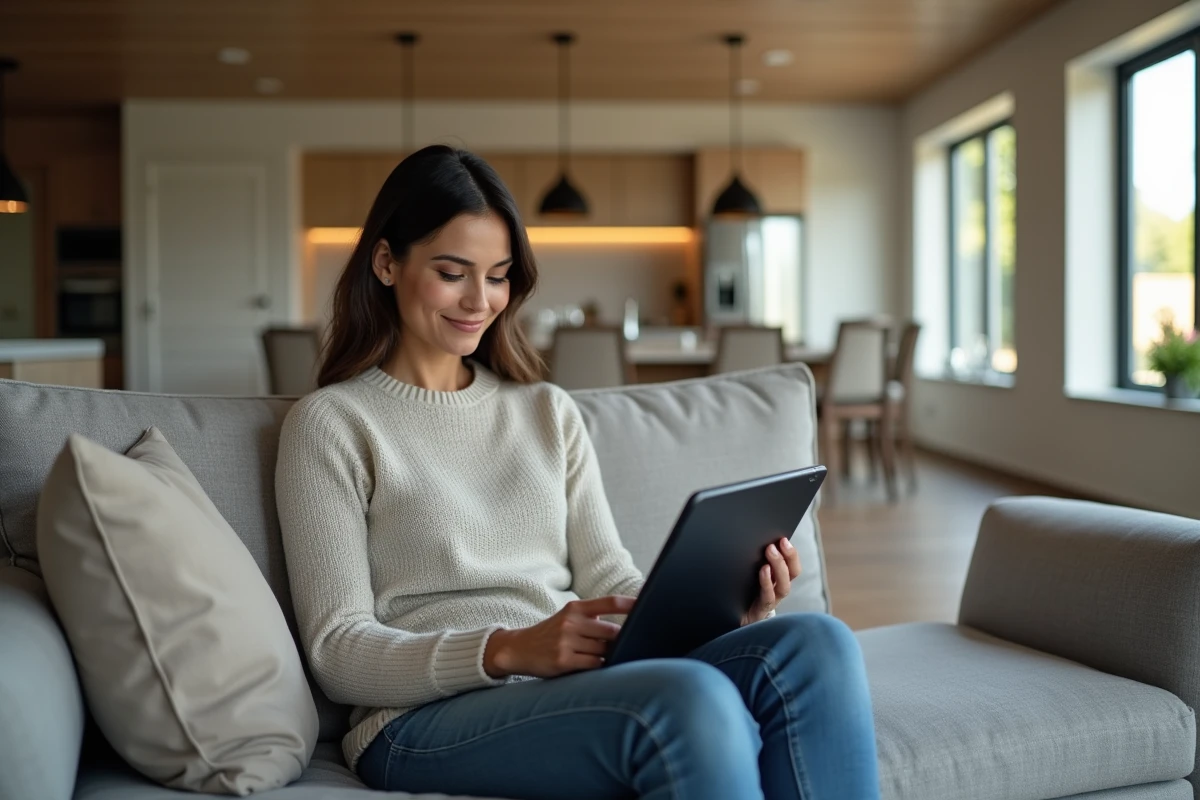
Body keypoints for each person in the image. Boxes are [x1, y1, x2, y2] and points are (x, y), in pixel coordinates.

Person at [275, 145, 880, 800]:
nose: (480, 300)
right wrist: (505, 649)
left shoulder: (546, 411)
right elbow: (338, 650)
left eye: (499, 275)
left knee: (816, 646)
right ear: (387, 262)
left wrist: (731, 609)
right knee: (690, 699)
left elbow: (611, 579)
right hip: (417, 721)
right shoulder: (332, 424)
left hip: (572, 684)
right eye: (453, 272)